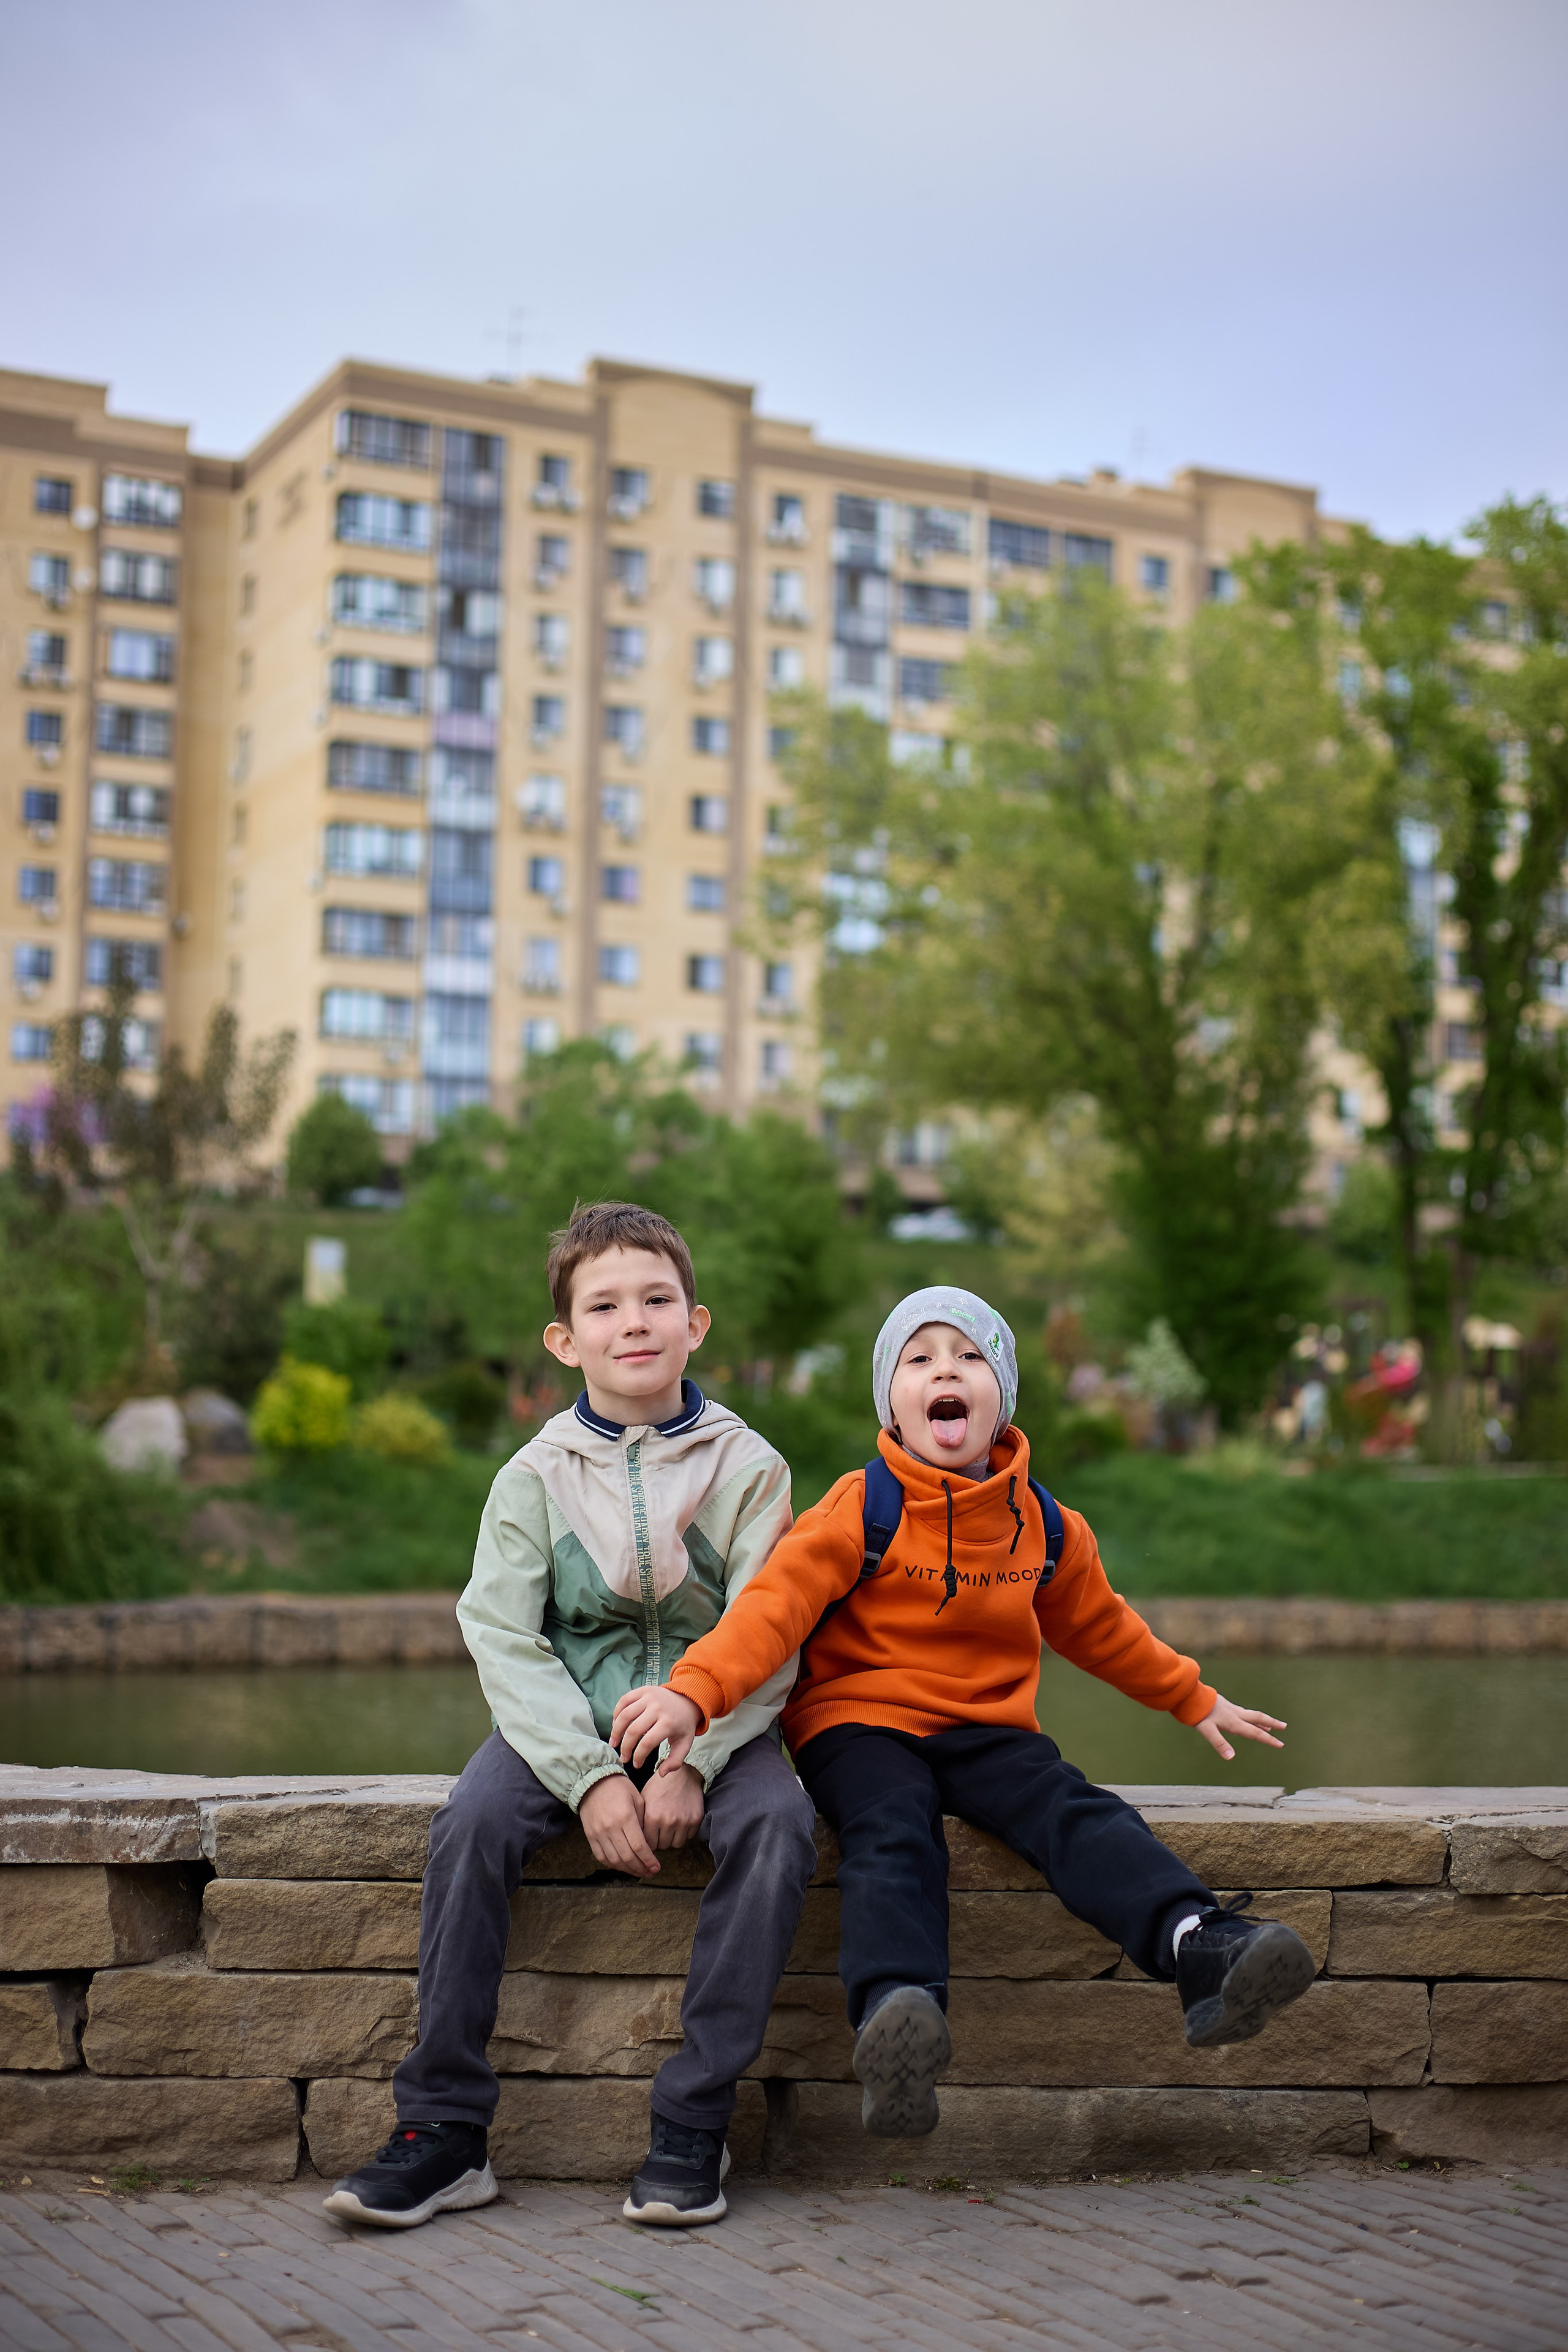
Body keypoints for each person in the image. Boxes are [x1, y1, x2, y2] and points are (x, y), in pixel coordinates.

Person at [612, 1285, 1314, 2140]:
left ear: (1000, 1399)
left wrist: (1188, 1694)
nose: (946, 1370)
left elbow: (1101, 1627)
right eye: (919, 1359)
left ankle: (1197, 1942)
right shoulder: (858, 1506)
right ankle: (895, 2017)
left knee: (1074, 1810)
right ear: (895, 1407)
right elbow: (773, 1609)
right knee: (891, 1827)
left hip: (985, 1728)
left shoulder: (1044, 1525)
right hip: (858, 1721)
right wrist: (695, 1691)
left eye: (971, 1357)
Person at [324, 1202, 818, 2230]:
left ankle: (693, 2123)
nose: (632, 1322)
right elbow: (506, 1638)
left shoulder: (750, 1468)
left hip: (714, 1723)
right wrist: (589, 1775)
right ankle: (445, 2131)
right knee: (469, 1823)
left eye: (657, 1300)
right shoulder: (534, 1479)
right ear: (566, 1340)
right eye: (604, 1305)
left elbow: (772, 1629)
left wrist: (695, 1755)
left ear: (697, 1323)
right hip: (562, 1729)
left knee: (778, 1826)